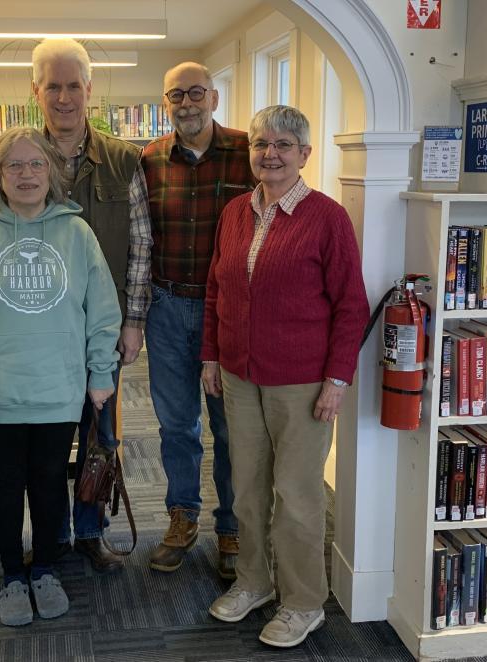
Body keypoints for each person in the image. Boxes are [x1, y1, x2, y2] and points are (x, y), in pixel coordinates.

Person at [0, 126, 121, 627]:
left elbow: (102, 310)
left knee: (50, 484)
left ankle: (47, 570)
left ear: (52, 172)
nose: (27, 174)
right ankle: (14, 573)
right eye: (14, 165)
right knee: (6, 484)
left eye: (36, 164)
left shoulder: (77, 234)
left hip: (59, 388)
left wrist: (102, 370)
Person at [201, 105, 369, 648]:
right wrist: (211, 356)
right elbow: (215, 291)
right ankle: (253, 581)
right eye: (259, 144)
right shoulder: (234, 213)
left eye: (282, 145)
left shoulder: (326, 217)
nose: (269, 154)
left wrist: (337, 379)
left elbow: (351, 306)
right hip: (238, 375)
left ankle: (302, 602)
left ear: (304, 154)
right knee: (245, 490)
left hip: (303, 383)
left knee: (296, 497)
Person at [31, 38, 152, 573]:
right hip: (36, 333)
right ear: (36, 91)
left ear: (90, 91)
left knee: (100, 436)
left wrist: (134, 320)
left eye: (73, 85)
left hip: (102, 329)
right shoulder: (17, 158)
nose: (64, 97)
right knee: (46, 438)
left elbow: (142, 246)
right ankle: (52, 536)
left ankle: (91, 532)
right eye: (53, 86)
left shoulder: (125, 160)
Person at [140, 62, 255, 577]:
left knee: (229, 427)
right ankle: (181, 516)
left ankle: (231, 528)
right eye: (174, 95)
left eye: (195, 93)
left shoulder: (247, 151)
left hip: (226, 311)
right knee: (176, 425)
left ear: (213, 96)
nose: (186, 103)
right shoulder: (149, 159)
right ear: (166, 103)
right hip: (166, 307)